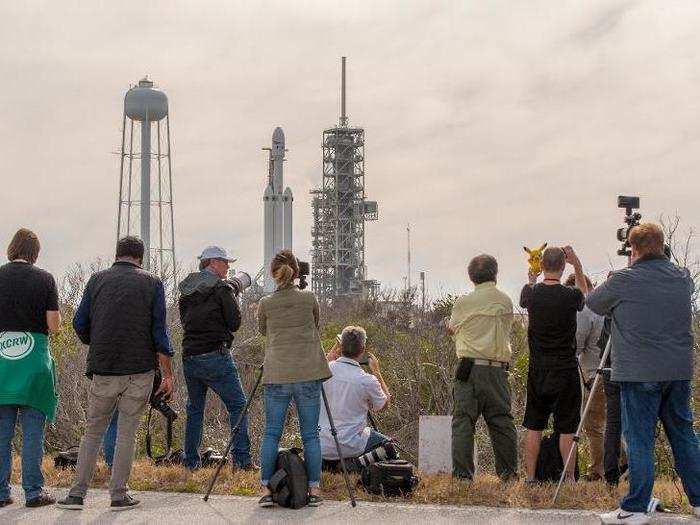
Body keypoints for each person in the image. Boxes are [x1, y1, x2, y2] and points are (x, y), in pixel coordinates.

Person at [587, 223, 700, 524]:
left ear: (633, 250)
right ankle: (699, 499)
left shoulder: (624, 280)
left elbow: (594, 303)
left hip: (638, 372)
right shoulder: (682, 278)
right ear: (663, 247)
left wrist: (618, 276)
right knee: (684, 435)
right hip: (677, 371)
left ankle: (636, 507)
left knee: (638, 438)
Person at [57, 236, 174, 512]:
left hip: (104, 367)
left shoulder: (97, 280)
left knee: (93, 431)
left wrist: (95, 342)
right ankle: (119, 494)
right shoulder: (153, 283)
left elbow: (79, 322)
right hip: (139, 370)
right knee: (126, 433)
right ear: (140, 258)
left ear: (117, 254)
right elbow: (160, 333)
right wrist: (167, 373)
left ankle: (76, 494)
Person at [257, 250, 331, 508]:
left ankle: (266, 488)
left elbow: (263, 330)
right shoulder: (309, 298)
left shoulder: (266, 303)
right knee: (310, 435)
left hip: (277, 374)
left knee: (271, 433)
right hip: (308, 373)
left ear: (273, 274)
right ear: (296, 272)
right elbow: (316, 324)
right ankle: (314, 489)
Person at [178, 246, 254, 470]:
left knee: (194, 410)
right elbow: (235, 323)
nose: (228, 266)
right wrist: (232, 296)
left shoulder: (187, 290)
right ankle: (242, 460)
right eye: (225, 262)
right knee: (238, 406)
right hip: (215, 355)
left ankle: (191, 462)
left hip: (190, 355)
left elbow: (185, 322)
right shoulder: (222, 289)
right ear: (212, 263)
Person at [0, 228, 61, 508]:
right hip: (34, 361)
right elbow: (53, 326)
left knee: (2, 430)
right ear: (35, 253)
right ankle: (34, 491)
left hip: (3, 359)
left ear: (12, 248)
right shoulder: (45, 279)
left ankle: (1, 493)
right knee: (34, 429)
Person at [520, 245, 588, 483]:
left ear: (542, 266)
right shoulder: (570, 295)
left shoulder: (531, 293)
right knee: (567, 427)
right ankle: (568, 478)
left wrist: (532, 277)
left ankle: (530, 477)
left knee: (534, 425)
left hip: (538, 368)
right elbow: (585, 294)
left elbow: (527, 292)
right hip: (565, 368)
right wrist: (577, 265)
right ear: (562, 266)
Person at [447, 254, 517, 481]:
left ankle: (463, 477)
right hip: (497, 370)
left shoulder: (462, 303)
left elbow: (452, 327)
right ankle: (507, 475)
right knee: (502, 423)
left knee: (463, 423)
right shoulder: (505, 301)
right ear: (495, 274)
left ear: (471, 277)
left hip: (469, 368)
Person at [320, 326, 390, 462]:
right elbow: (384, 404)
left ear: (341, 347)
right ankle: (357, 464)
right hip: (350, 445)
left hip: (321, 445)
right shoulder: (367, 380)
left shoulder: (324, 371)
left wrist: (332, 352)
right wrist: (377, 372)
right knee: (388, 445)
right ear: (362, 349)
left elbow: (323, 366)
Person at [564, 273, 605, 481]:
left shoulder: (585, 310)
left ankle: (599, 469)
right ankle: (619, 463)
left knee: (593, 425)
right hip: (609, 369)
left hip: (594, 373)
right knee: (606, 423)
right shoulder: (603, 307)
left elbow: (577, 346)